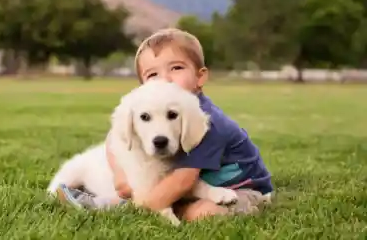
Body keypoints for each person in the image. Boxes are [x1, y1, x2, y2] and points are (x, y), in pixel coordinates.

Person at [56, 28, 274, 221]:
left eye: (176, 68)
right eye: (153, 74)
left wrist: (144, 207)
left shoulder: (208, 122)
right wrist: (120, 176)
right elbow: (115, 136)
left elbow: (182, 182)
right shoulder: (149, 106)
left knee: (197, 213)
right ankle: (107, 202)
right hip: (196, 185)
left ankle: (109, 206)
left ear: (200, 77)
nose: (164, 80)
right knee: (162, 193)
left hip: (243, 188)